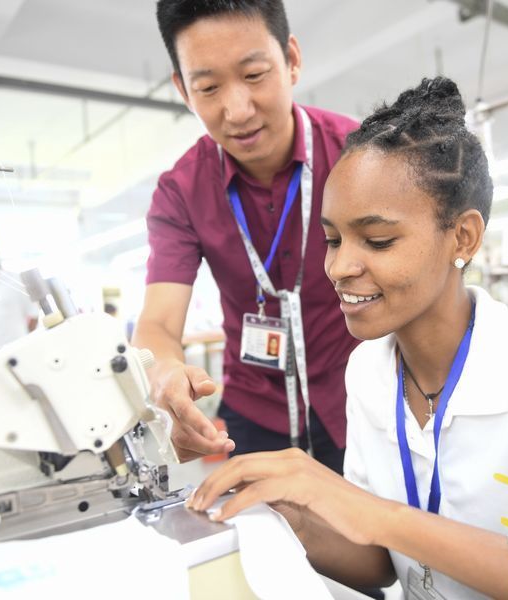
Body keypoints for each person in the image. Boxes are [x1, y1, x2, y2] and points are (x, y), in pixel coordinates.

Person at [185, 78, 508, 599]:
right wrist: (297, 516)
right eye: (332, 239)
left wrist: (383, 517)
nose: (340, 266)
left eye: (378, 240)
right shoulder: (366, 370)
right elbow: (383, 564)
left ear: (463, 237)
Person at [132, 0, 359, 472]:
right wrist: (167, 376)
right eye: (208, 87)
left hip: (359, 396)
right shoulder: (182, 191)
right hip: (254, 410)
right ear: (183, 89)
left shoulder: (359, 158)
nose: (237, 111)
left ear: (291, 59)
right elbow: (158, 326)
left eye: (254, 75)